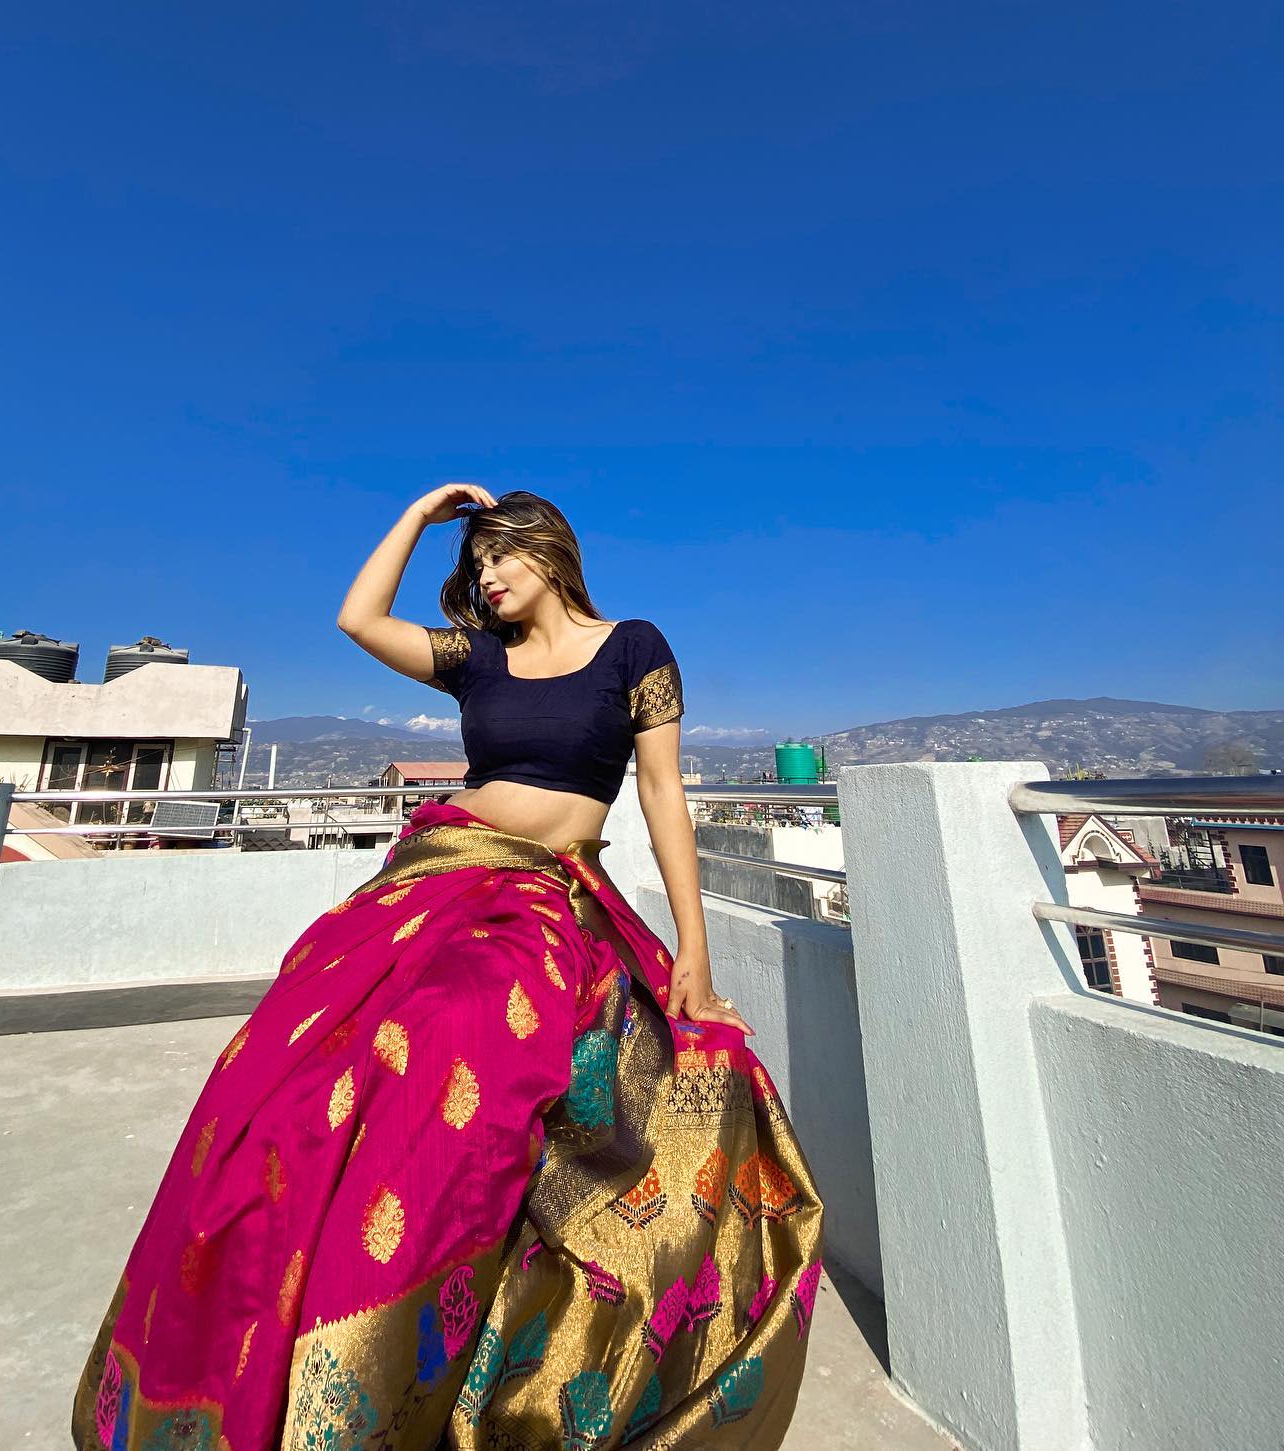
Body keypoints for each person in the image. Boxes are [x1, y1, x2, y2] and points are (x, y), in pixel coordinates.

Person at [72, 485, 824, 1451]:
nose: (485, 580)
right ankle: (289, 1345)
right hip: (441, 874)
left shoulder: (635, 648)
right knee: (286, 1068)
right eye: (474, 569)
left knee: (458, 1031)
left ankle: (420, 1334)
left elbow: (664, 796)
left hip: (548, 894)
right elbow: (359, 618)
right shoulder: (478, 660)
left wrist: (694, 952)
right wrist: (422, 515)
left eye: (497, 560)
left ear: (545, 552)